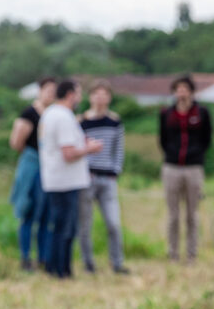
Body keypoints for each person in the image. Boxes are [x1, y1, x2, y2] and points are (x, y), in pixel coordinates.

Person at [37, 78, 101, 279]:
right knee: (65, 228)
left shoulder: (50, 114)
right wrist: (89, 149)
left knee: (59, 225)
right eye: (79, 93)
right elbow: (68, 152)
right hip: (65, 181)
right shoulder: (63, 116)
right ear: (71, 94)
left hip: (56, 179)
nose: (80, 97)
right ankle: (60, 270)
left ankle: (56, 267)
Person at [158, 74, 213, 263]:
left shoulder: (202, 113)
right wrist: (172, 154)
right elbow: (163, 139)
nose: (181, 93)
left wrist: (195, 154)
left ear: (191, 91)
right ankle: (173, 252)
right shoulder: (167, 113)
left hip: (193, 167)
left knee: (192, 214)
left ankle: (192, 253)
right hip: (172, 166)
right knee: (173, 214)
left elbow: (207, 139)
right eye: (178, 89)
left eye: (185, 89)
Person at [78, 82, 129, 274]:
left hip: (107, 178)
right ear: (90, 97)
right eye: (96, 94)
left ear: (109, 98)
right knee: (85, 224)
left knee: (114, 224)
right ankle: (88, 263)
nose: (100, 98)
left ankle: (117, 263)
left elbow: (119, 150)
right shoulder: (81, 121)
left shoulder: (115, 121)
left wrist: (115, 172)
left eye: (104, 94)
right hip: (87, 177)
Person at [8, 76, 57, 271]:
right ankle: (25, 257)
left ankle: (43, 257)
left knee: (46, 215)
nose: (51, 94)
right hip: (33, 166)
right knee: (30, 213)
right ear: (40, 91)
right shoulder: (29, 113)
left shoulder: (54, 113)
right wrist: (32, 157)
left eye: (54, 91)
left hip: (49, 168)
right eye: (48, 90)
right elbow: (16, 142)